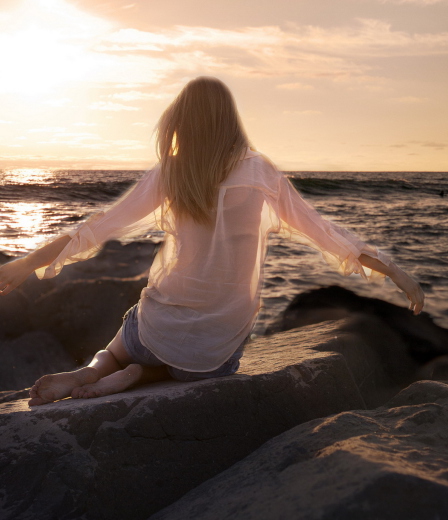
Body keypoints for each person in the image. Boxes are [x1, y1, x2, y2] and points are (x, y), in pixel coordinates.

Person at [0, 76, 425, 407]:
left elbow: (99, 226)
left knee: (113, 350)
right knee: (203, 364)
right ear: (229, 120)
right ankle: (144, 377)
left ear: (181, 120)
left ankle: (99, 370)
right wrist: (394, 270)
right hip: (216, 350)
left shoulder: (173, 171)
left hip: (156, 328)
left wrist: (24, 264)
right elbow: (325, 232)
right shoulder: (261, 172)